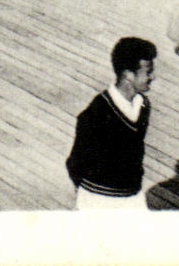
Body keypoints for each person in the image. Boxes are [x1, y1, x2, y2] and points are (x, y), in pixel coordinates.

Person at [66, 37, 157, 209]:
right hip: (99, 200)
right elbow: (76, 162)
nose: (153, 76)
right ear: (128, 75)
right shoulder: (97, 113)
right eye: (148, 72)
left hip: (133, 197)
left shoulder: (143, 105)